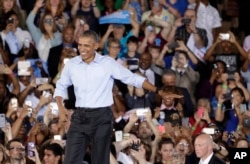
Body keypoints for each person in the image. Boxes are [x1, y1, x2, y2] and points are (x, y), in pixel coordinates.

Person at [54, 30, 162, 164]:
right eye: (80, 45)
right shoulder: (72, 64)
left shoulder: (107, 63)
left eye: (86, 45)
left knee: (100, 160)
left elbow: (132, 78)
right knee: (70, 160)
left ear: (96, 46)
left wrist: (157, 90)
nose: (82, 49)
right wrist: (60, 107)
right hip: (80, 115)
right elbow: (60, 86)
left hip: (102, 116)